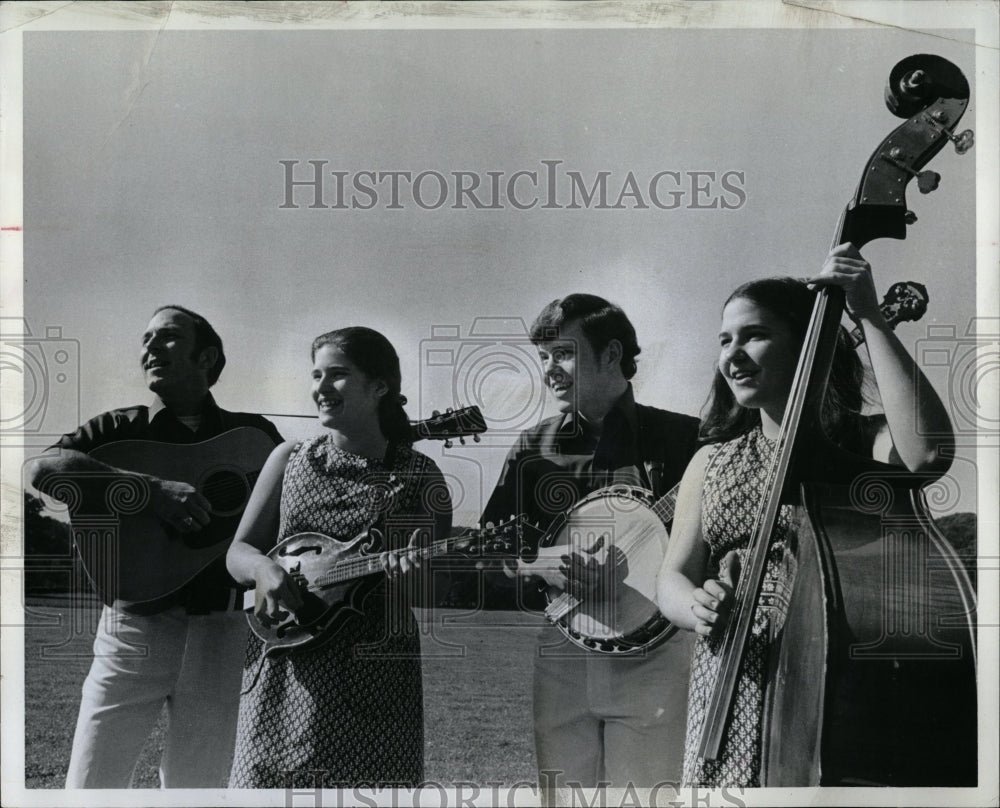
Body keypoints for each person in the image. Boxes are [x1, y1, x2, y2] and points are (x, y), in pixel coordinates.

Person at [655, 244, 955, 787]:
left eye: (755, 335)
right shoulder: (711, 460)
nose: (733, 354)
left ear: (806, 344)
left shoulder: (860, 444)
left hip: (830, 683)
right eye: (725, 340)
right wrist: (692, 605)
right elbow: (673, 574)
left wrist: (866, 312)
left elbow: (927, 456)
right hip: (728, 680)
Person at [27, 305, 283, 788]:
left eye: (165, 338)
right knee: (91, 780)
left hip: (225, 630)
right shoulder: (117, 429)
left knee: (198, 786)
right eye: (145, 340)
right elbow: (41, 470)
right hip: (134, 624)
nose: (148, 348)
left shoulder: (256, 437)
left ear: (207, 357)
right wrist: (150, 491)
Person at [479, 293, 701, 799]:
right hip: (562, 654)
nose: (549, 370)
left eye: (563, 353)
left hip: (659, 654)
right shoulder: (533, 449)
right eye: (543, 357)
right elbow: (496, 552)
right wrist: (549, 565)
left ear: (611, 354)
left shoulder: (685, 438)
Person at [225, 326, 452, 789]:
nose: (321, 388)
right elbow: (238, 552)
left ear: (380, 386)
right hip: (282, 666)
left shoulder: (420, 475)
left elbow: (432, 587)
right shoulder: (289, 458)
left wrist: (410, 574)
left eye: (338, 375)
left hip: (372, 675)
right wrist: (264, 569)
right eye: (316, 375)